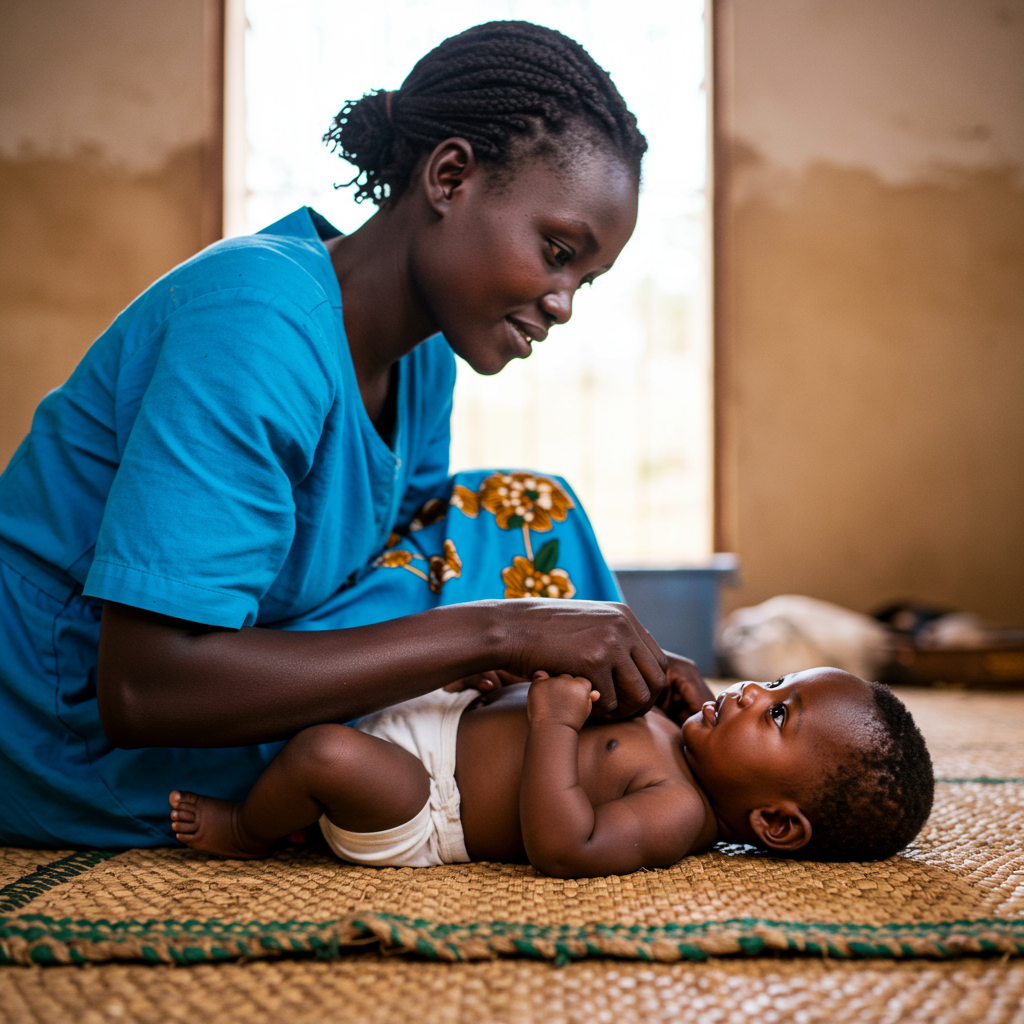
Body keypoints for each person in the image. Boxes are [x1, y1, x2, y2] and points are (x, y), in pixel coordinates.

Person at [0, 21, 713, 848]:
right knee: (523, 572)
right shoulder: (258, 323)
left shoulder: (425, 361)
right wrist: (506, 631)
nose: (562, 304)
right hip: (80, 729)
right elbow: (144, 691)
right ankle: (508, 785)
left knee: (526, 518)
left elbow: (398, 553)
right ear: (451, 177)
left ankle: (541, 759)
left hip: (254, 636)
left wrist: (579, 648)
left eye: (583, 280)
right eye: (556, 251)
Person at [168, 668, 935, 875]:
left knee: (321, 752)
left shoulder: (680, 814)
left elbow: (568, 847)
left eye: (777, 716)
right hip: (446, 719)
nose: (755, 692)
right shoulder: (687, 741)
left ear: (773, 821)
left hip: (428, 805)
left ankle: (247, 830)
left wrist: (553, 724)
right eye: (777, 683)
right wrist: (690, 696)